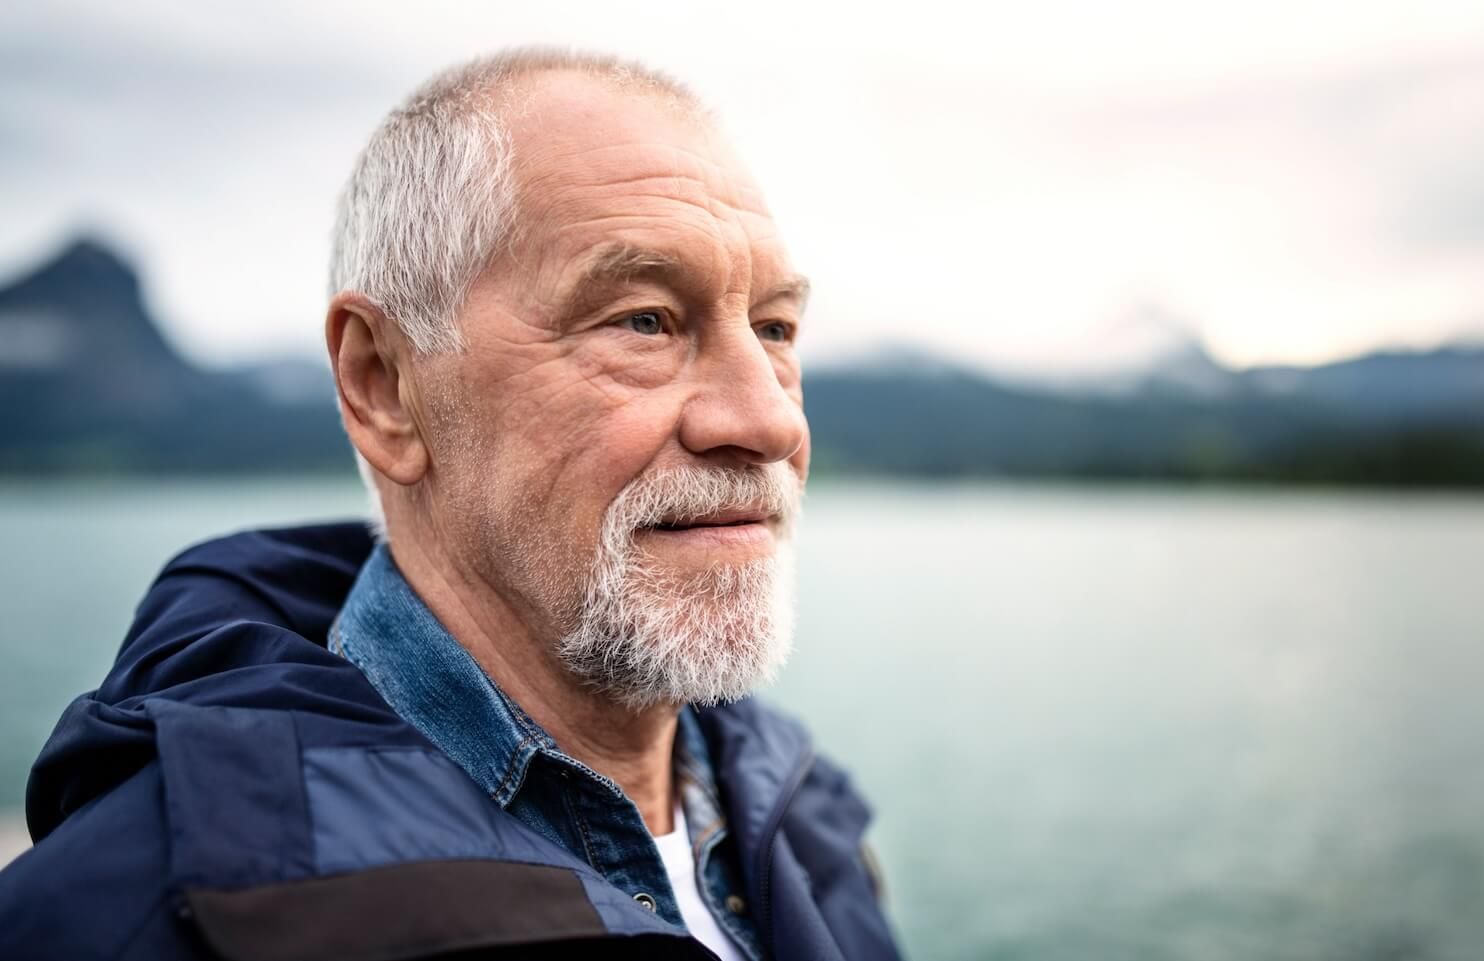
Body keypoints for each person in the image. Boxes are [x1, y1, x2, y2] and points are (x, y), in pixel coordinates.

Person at [0, 48, 901, 960]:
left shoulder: (809, 825)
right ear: (384, 386)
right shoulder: (126, 920)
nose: (768, 418)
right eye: (643, 320)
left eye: (776, 328)